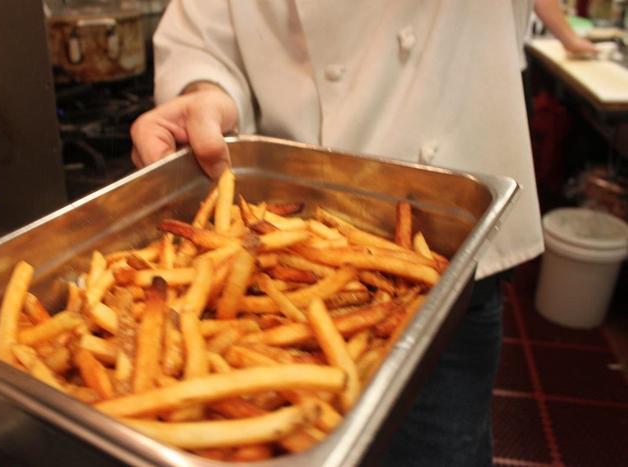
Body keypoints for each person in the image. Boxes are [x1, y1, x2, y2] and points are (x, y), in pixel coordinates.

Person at [131, 1, 544, 465]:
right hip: (287, 244)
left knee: (441, 449)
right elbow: (202, 38)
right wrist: (206, 93)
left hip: (449, 247)